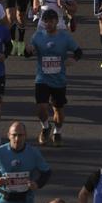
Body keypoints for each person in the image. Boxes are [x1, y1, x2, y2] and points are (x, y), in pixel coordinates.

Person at [25, 8, 81, 145]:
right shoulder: (37, 36)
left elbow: (78, 51)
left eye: (51, 21)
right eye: (46, 21)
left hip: (59, 80)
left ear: (57, 22)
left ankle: (57, 131)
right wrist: (27, 50)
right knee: (41, 108)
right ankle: (45, 127)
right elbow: (27, 54)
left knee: (58, 110)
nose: (48, 24)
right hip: (42, 78)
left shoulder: (64, 37)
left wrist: (73, 60)